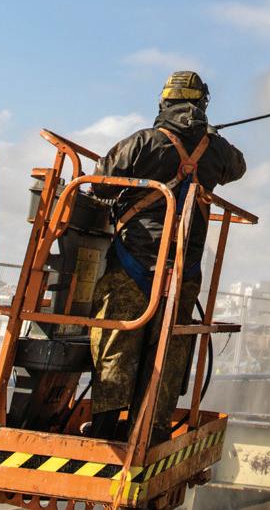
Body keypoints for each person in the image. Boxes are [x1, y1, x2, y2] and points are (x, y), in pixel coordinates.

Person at [88, 71, 246, 440]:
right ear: (202, 104)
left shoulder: (142, 142)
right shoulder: (216, 150)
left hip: (132, 263)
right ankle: (153, 430)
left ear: (164, 102)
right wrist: (210, 139)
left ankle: (105, 428)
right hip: (183, 269)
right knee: (170, 345)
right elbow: (237, 168)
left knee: (116, 339)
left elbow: (99, 183)